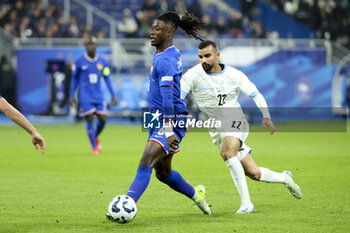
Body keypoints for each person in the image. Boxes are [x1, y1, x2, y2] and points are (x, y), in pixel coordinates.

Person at [107, 12, 212, 221]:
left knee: (146, 159)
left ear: (169, 32)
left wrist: (170, 128)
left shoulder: (165, 59)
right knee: (163, 174)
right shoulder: (166, 54)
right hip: (158, 118)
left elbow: (167, 96)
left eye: (157, 28)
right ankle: (196, 195)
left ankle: (125, 205)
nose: (152, 32)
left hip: (167, 119)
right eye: (152, 28)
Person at [181, 40, 302, 214]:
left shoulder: (234, 75)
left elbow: (256, 94)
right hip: (215, 127)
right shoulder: (193, 74)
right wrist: (182, 116)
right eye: (200, 57)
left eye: (207, 56)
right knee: (254, 173)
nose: (203, 60)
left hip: (235, 118)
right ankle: (285, 178)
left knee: (227, 152)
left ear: (217, 55)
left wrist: (266, 115)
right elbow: (178, 97)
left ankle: (247, 204)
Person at [69, 37, 116, 155]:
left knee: (103, 120)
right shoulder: (79, 61)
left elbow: (107, 77)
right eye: (89, 44)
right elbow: (74, 79)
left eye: (93, 44)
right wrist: (71, 95)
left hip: (98, 96)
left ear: (96, 46)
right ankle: (94, 147)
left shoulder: (103, 61)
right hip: (85, 95)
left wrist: (113, 94)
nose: (91, 46)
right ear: (85, 46)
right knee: (89, 118)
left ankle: (94, 137)